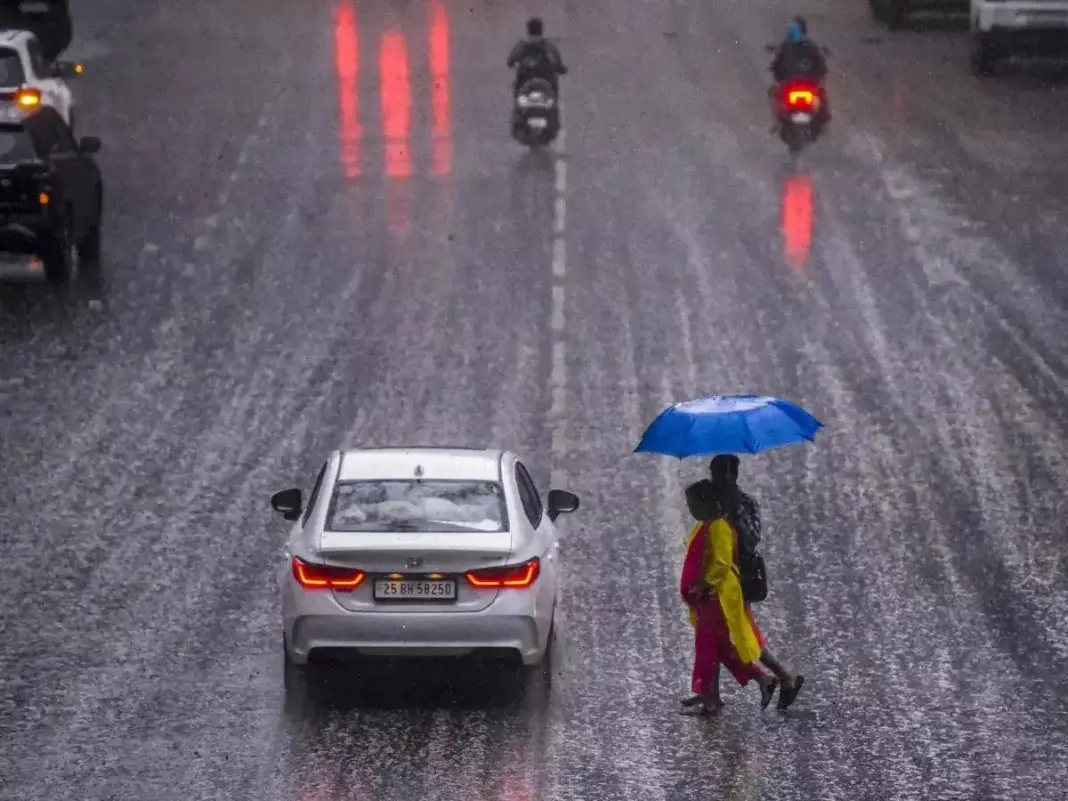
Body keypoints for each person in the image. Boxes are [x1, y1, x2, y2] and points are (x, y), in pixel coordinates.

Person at [709, 455, 805, 710]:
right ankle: (714, 694)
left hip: (736, 579)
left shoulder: (746, 504)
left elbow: (751, 540)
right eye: (715, 474)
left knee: (741, 633)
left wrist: (734, 515)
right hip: (716, 576)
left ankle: (781, 677)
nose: (717, 479)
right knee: (716, 633)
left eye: (721, 474)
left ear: (732, 475)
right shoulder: (711, 501)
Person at [678, 479, 778, 715]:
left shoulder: (719, 527)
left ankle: (710, 699)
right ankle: (757, 680)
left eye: (693, 505)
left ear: (708, 503)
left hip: (716, 597)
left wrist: (705, 584)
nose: (691, 510)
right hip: (709, 597)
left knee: (707, 649)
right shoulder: (707, 525)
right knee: (720, 648)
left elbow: (722, 563)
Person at [768, 17, 830, 133]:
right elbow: (820, 65)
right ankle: (823, 120)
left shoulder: (787, 46)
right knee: (822, 94)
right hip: (807, 84)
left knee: (773, 92)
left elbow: (777, 65)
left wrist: (777, 72)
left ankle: (777, 121)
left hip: (792, 84)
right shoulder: (811, 46)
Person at [506, 17, 568, 97]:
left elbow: (510, 62)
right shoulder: (548, 46)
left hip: (527, 89)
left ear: (528, 30)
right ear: (541, 30)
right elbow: (558, 63)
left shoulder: (522, 46)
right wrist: (559, 68)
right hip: (544, 89)